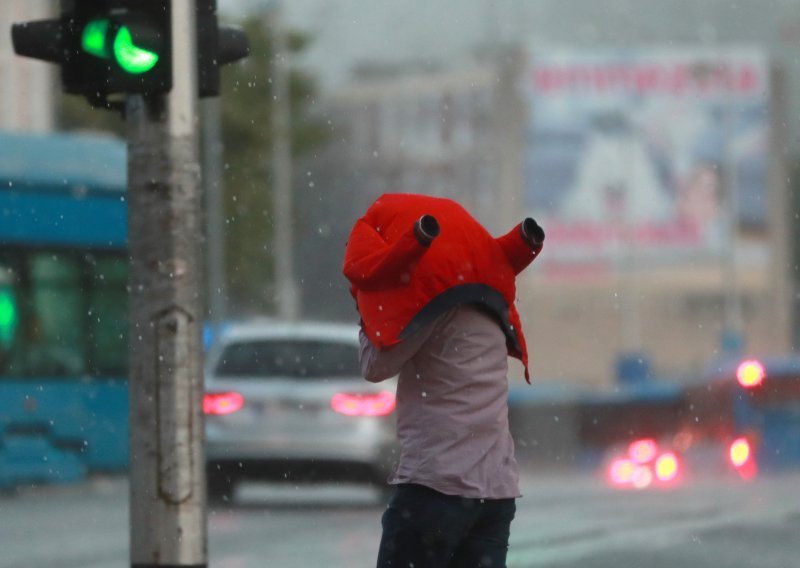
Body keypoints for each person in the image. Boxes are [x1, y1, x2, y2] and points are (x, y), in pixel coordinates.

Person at [344, 193, 544, 567]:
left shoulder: (431, 305)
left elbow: (375, 366)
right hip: (495, 493)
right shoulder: (491, 310)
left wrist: (366, 304)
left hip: (436, 486)